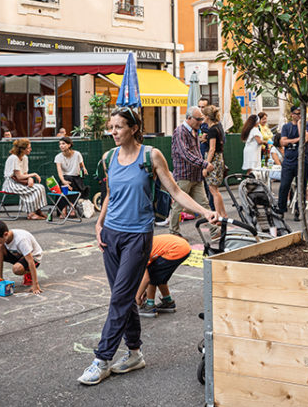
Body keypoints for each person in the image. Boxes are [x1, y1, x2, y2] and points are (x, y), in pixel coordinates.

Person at [78, 108, 217, 386]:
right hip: (111, 235)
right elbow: (109, 195)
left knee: (119, 297)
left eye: (119, 127)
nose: (113, 132)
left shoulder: (150, 156)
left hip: (138, 236)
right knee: (125, 297)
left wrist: (205, 210)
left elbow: (176, 191)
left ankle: (102, 359)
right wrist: (99, 224)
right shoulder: (109, 158)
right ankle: (134, 353)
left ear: (133, 128)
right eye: (112, 127)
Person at [168, 107, 214, 236]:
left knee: (204, 204)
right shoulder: (180, 131)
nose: (201, 121)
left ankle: (215, 232)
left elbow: (196, 152)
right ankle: (174, 233)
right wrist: (204, 164)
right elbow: (185, 154)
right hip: (184, 175)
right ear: (189, 118)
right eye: (198, 119)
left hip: (195, 175)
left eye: (201, 119)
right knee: (178, 206)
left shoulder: (194, 131)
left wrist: (202, 165)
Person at [135, 234, 192, 317]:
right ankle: (168, 301)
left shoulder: (138, 254)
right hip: (184, 247)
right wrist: (143, 290)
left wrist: (137, 296)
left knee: (152, 274)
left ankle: (150, 305)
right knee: (161, 275)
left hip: (176, 249)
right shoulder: (142, 244)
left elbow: (146, 279)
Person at [0, 220, 43, 294]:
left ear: (5, 234)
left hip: (34, 258)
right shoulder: (4, 238)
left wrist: (35, 284)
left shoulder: (21, 240)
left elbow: (30, 261)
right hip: (18, 255)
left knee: (17, 269)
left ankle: (28, 274)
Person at [2, 138, 48, 220]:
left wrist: (29, 179)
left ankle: (37, 210)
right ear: (22, 149)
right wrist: (34, 175)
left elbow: (24, 174)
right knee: (34, 189)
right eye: (28, 148)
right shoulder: (14, 158)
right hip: (11, 184)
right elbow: (18, 176)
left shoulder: (25, 158)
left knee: (40, 187)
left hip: (20, 182)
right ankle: (31, 213)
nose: (30, 149)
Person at [277, 106, 308, 218]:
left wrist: (300, 125)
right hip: (289, 161)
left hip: (302, 160)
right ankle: (281, 209)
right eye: (297, 113)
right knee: (284, 185)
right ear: (292, 114)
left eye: (301, 113)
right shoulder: (286, 127)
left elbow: (305, 139)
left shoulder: (307, 125)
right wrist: (296, 140)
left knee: (301, 187)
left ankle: (298, 210)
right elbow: (283, 142)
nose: (299, 115)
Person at [202, 105, 227, 219]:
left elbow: (212, 149)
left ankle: (218, 216)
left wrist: (206, 166)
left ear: (207, 117)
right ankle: (223, 214)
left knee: (213, 190)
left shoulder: (212, 129)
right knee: (216, 190)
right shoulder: (218, 127)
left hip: (213, 160)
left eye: (203, 115)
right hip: (219, 158)